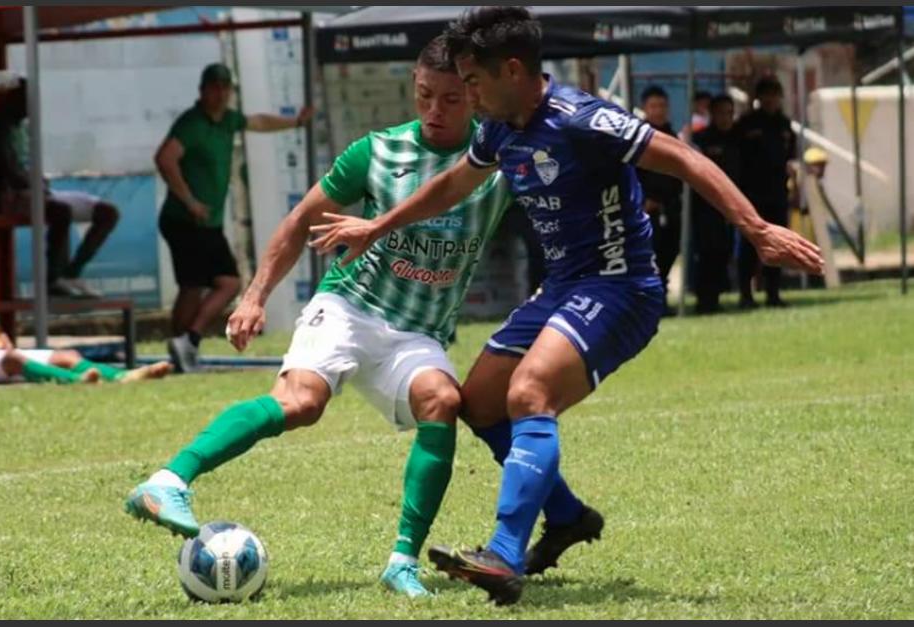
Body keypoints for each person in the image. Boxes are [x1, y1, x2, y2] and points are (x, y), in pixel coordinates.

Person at [310, 7, 823, 605]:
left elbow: (684, 157)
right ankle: (570, 517)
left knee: (530, 393)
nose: (466, 95)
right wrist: (379, 225)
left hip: (620, 287)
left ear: (511, 70)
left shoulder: (584, 119)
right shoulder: (499, 125)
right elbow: (453, 184)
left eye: (473, 83)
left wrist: (756, 228)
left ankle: (504, 554)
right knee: (479, 404)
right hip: (562, 287)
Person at [124, 38, 514, 599]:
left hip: (416, 332)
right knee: (301, 404)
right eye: (425, 95)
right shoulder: (375, 153)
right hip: (349, 306)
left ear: (474, 95)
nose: (434, 110)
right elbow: (299, 222)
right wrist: (255, 295)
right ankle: (166, 481)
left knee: (443, 402)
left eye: (451, 99)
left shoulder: (499, 158)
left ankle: (401, 562)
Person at [155, 63, 314, 373]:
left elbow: (258, 122)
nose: (221, 93)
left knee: (203, 285)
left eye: (226, 87)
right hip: (185, 219)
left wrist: (295, 122)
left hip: (207, 222)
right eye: (215, 87)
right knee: (217, 283)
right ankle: (185, 343)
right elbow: (165, 159)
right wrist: (189, 201)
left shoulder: (228, 120)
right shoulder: (191, 124)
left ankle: (183, 346)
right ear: (202, 91)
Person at [0, 222, 170, 384]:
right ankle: (76, 381)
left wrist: (3, 338)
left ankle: (122, 376)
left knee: (67, 356)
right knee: (14, 359)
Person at [0, 79, 118, 298]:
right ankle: (53, 279)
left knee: (108, 212)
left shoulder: (22, 128)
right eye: (26, 100)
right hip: (11, 195)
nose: (32, 106)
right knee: (60, 211)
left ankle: (73, 273)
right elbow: (10, 171)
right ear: (11, 99)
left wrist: (41, 183)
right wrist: (35, 185)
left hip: (40, 190)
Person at [734, 76, 796, 309]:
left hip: (777, 193)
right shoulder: (747, 124)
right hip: (751, 194)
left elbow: (789, 157)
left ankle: (773, 293)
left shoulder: (784, 125)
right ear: (758, 98)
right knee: (749, 246)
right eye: (766, 95)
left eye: (774, 95)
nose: (770, 100)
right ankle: (745, 294)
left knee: (778, 244)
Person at [636, 85, 683, 314]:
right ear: (644, 109)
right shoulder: (636, 139)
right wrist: (643, 201)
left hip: (670, 208)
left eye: (662, 106)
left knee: (670, 252)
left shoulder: (673, 137)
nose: (658, 111)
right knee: (649, 257)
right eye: (653, 106)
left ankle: (662, 298)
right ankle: (651, 304)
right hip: (646, 211)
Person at [691, 94, 740, 314]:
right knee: (707, 251)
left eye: (730, 113)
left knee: (724, 251)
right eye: (721, 112)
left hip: (734, 205)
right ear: (712, 114)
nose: (726, 118)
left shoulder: (739, 139)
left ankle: (717, 296)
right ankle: (705, 299)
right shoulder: (700, 140)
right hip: (706, 205)